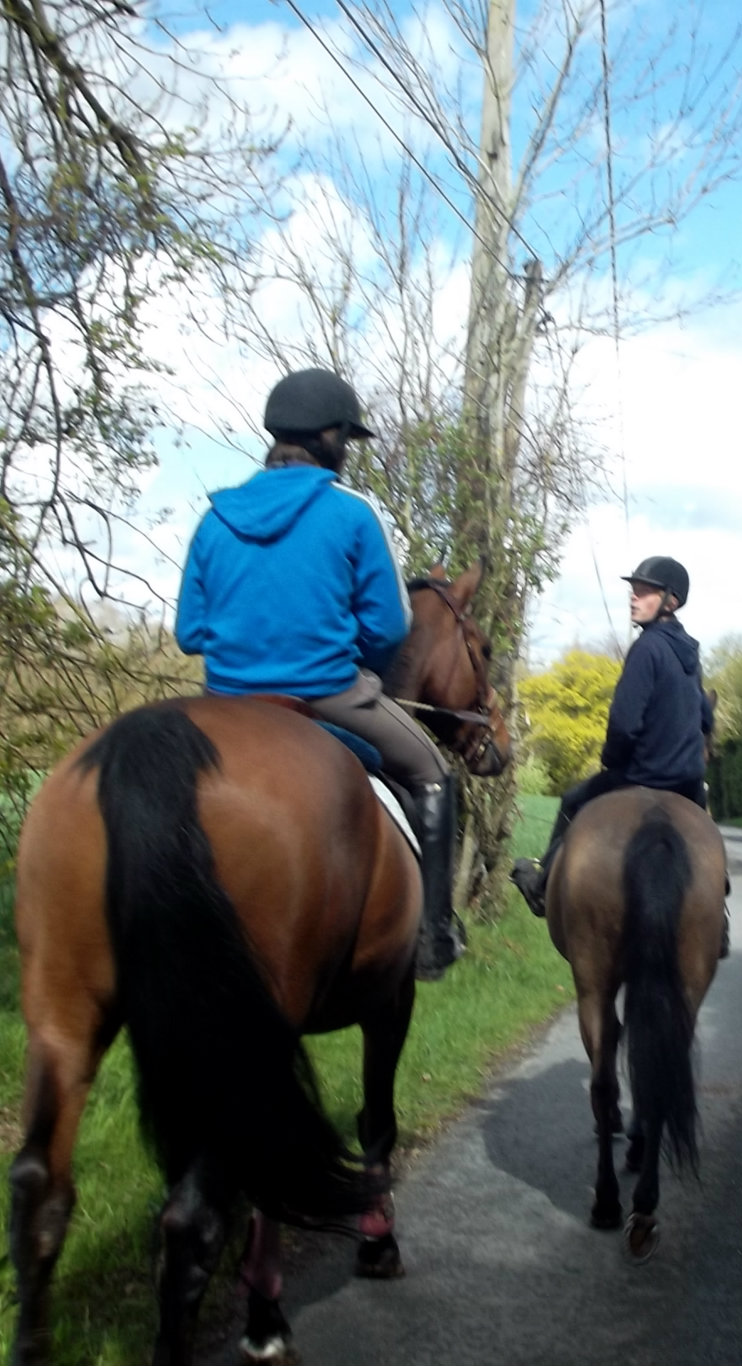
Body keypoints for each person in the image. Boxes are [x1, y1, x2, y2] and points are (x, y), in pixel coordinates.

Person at [174, 367, 466, 979]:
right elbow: (388, 628)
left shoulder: (214, 518)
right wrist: (351, 658)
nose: (348, 453)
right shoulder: (352, 512)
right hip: (326, 693)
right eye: (347, 440)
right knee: (435, 775)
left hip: (223, 704)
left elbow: (189, 633)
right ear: (329, 436)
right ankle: (435, 936)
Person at [510, 556, 715, 925]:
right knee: (706, 837)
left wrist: (612, 758)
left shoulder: (648, 648)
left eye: (645, 591)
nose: (633, 597)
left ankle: (542, 881)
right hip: (687, 784)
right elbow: (706, 716)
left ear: (671, 601)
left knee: (573, 800)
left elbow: (623, 724)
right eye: (633, 590)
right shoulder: (692, 656)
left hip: (643, 776)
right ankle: (722, 910)